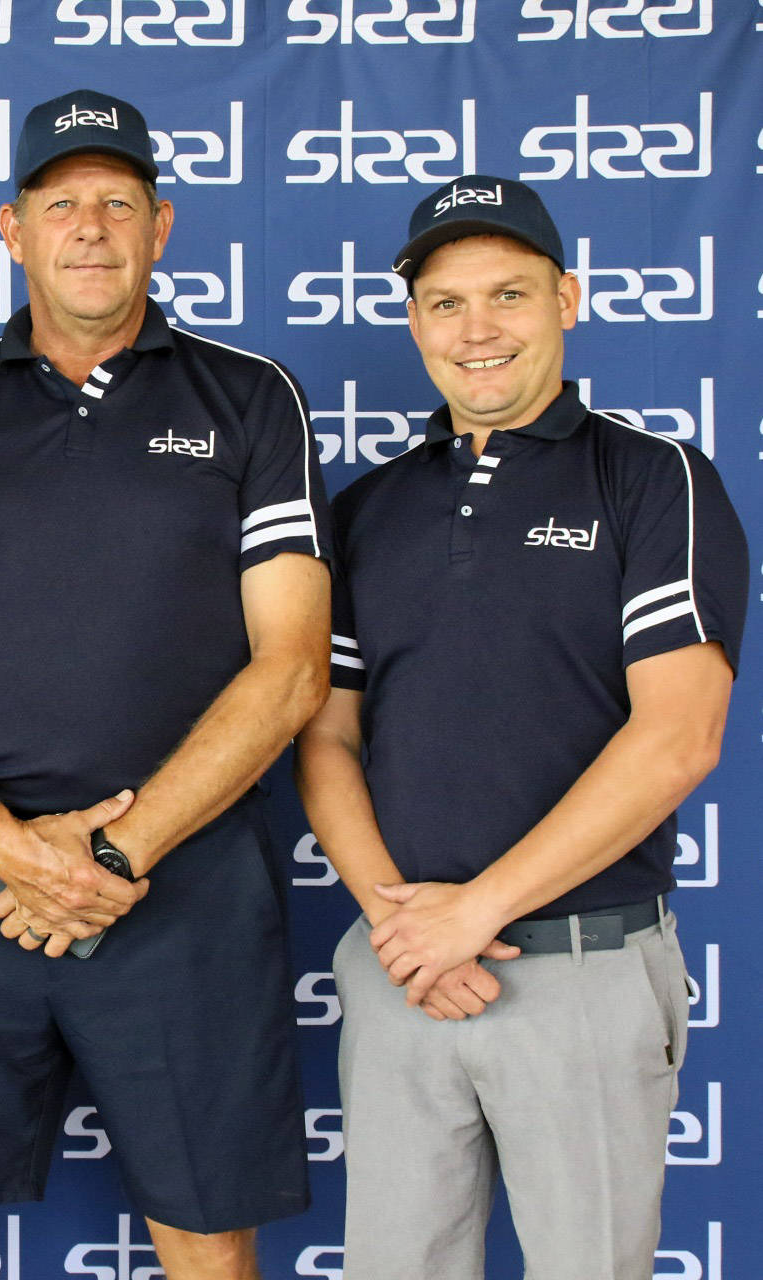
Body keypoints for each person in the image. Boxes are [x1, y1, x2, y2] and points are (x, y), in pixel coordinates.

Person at [0, 90, 329, 1280]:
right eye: (60, 202)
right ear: (11, 228)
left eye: (117, 203)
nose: (88, 228)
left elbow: (290, 666)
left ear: (159, 226)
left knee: (206, 1234)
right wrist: (9, 849)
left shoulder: (248, 398)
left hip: (187, 878)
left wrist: (112, 853)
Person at [294, 175, 747, 1279]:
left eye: (509, 293)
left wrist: (476, 911)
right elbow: (325, 739)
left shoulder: (653, 480)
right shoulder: (365, 510)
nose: (477, 328)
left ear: (566, 300)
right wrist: (399, 924)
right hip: (403, 972)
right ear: (414, 323)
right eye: (445, 303)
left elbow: (679, 737)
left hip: (581, 972)